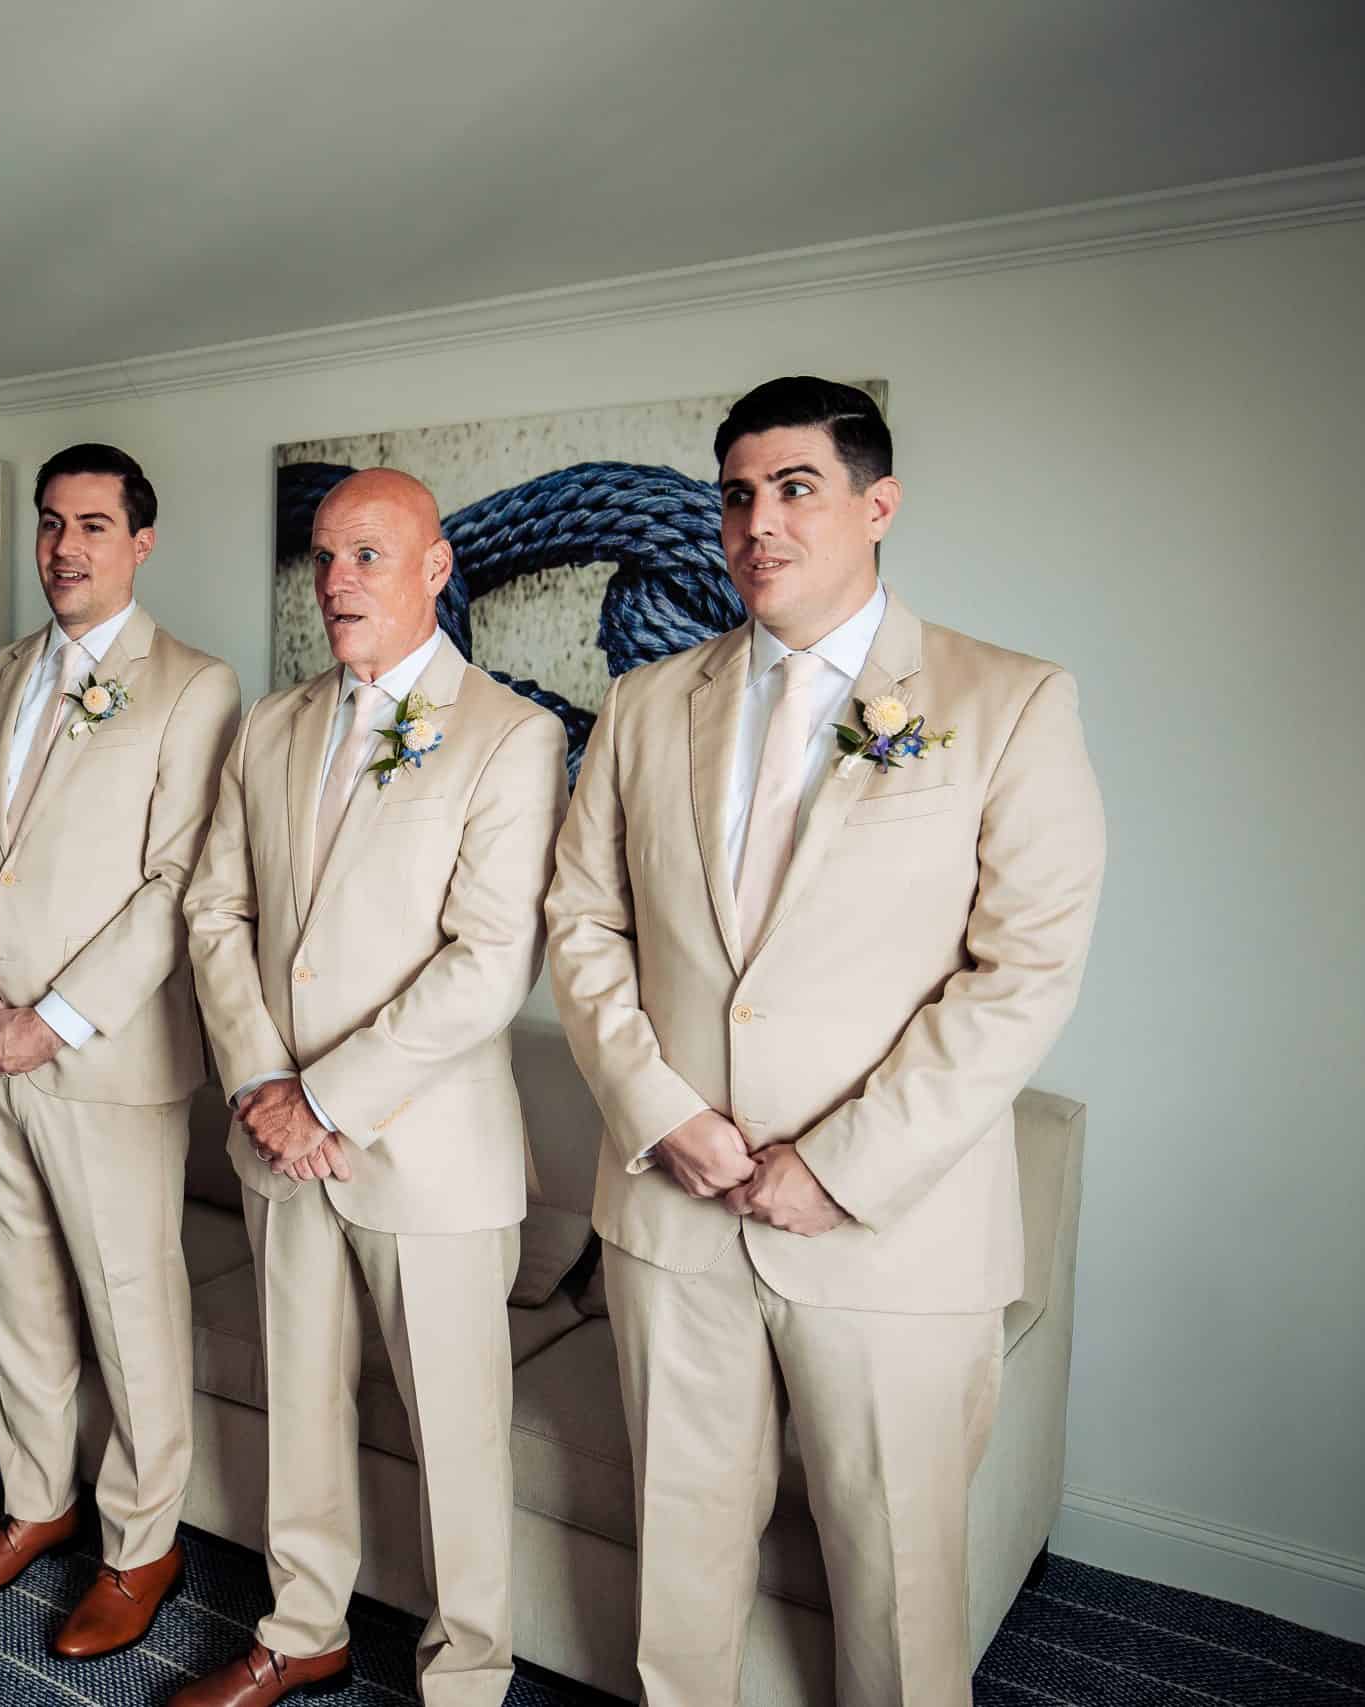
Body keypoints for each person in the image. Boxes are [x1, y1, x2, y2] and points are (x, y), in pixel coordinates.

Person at [545, 377, 1106, 1706]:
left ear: (878, 504)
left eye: (795, 488)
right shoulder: (643, 704)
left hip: (887, 1230)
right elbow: (582, 922)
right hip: (673, 1212)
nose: (760, 523)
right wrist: (659, 1110)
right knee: (679, 1559)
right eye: (737, 495)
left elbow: (1022, 972)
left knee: (898, 1585)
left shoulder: (1007, 698)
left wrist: (839, 1164)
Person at [178, 469, 566, 1707]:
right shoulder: (271, 724)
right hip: (275, 1143)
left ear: (435, 568)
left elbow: (488, 963)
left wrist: (323, 1098)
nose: (336, 581)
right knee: (297, 1408)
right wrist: (261, 1083)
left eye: (367, 555)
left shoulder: (510, 735)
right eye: (323, 557)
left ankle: (467, 1676)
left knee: (458, 1437)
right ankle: (302, 1629)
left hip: (429, 1157)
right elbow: (216, 912)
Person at [0, 443, 239, 1657]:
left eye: (93, 525)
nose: (64, 547)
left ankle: (141, 1547)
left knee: (129, 1305)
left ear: (140, 542)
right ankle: (35, 1503)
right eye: (51, 523)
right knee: (16, 1292)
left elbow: (174, 883)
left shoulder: (194, 686)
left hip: (103, 1061)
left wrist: (51, 1018)